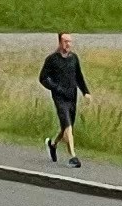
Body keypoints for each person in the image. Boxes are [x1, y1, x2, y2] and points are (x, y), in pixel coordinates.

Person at [38, 28, 89, 166]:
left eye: (70, 42)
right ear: (60, 42)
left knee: (67, 126)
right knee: (67, 125)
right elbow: (43, 78)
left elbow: (79, 76)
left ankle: (53, 144)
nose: (68, 44)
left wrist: (85, 92)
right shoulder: (52, 59)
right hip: (59, 97)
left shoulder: (74, 58)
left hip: (72, 96)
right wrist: (56, 87)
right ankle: (73, 156)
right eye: (65, 41)